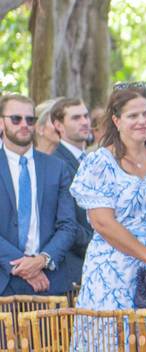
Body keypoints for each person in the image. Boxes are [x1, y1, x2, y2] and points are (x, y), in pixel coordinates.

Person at [69, 86, 146, 347]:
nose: (143, 120)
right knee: (113, 341)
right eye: (133, 116)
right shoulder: (98, 162)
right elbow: (103, 222)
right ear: (116, 120)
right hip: (113, 268)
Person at [0, 94, 78, 296]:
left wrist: (42, 260)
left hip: (50, 283)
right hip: (4, 281)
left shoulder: (57, 167)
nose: (24, 124)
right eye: (16, 119)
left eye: (30, 119)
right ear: (1, 122)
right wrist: (25, 267)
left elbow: (68, 225)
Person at [49, 97, 94, 294]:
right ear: (58, 125)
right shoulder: (55, 164)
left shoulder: (96, 159)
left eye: (85, 116)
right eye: (75, 118)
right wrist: (100, 244)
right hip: (75, 265)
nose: (84, 122)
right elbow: (64, 221)